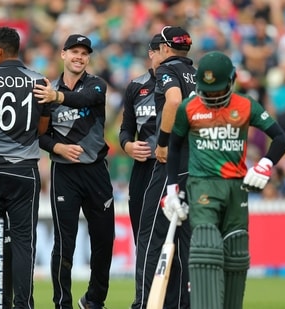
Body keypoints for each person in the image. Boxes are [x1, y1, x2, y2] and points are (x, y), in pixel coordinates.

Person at [164, 51, 285, 309]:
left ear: (231, 82)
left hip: (237, 187)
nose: (210, 96)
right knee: (206, 243)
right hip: (202, 184)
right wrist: (173, 189)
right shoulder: (189, 107)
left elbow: (280, 139)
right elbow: (173, 147)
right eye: (206, 90)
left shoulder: (246, 105)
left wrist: (265, 165)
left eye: (216, 90)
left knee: (236, 250)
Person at [33, 34, 114, 309]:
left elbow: (83, 99)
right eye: (74, 51)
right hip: (64, 174)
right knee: (64, 243)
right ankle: (62, 303)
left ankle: (94, 300)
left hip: (96, 172)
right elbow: (39, 135)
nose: (79, 56)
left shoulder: (96, 85)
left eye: (84, 53)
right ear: (63, 55)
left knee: (103, 239)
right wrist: (58, 148)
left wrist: (56, 96)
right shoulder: (48, 91)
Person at [0, 26, 49, 308]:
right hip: (24, 171)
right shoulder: (40, 80)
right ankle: (23, 304)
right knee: (23, 242)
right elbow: (43, 127)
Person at [130, 26, 195, 309]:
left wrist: (165, 142)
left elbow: (174, 100)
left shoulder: (168, 70)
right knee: (185, 244)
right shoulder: (199, 74)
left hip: (172, 166)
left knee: (150, 238)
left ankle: (143, 304)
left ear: (166, 48)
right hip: (199, 166)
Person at [118, 35, 164, 244]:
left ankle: (177, 278)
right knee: (141, 235)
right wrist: (128, 146)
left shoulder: (185, 85)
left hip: (171, 166)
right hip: (143, 167)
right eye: (161, 52)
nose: (165, 58)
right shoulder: (136, 87)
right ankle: (144, 277)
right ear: (151, 54)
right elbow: (126, 130)